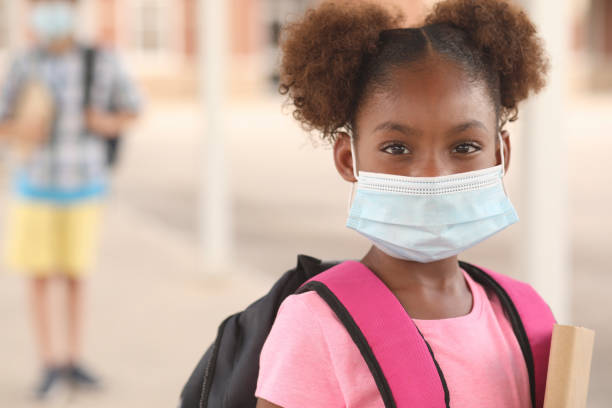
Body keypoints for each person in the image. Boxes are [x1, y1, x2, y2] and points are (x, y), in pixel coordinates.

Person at [255, 0, 551, 407]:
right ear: (348, 160)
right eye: (397, 147)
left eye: (465, 146)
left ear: (500, 155)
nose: (432, 175)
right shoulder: (316, 324)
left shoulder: (529, 319)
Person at [0, 0, 141, 400]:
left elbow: (134, 108)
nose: (49, 13)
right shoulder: (24, 63)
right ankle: (48, 362)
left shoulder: (101, 60)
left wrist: (106, 122)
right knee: (40, 275)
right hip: (35, 185)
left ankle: (72, 358)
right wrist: (20, 129)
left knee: (76, 274)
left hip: (85, 185)